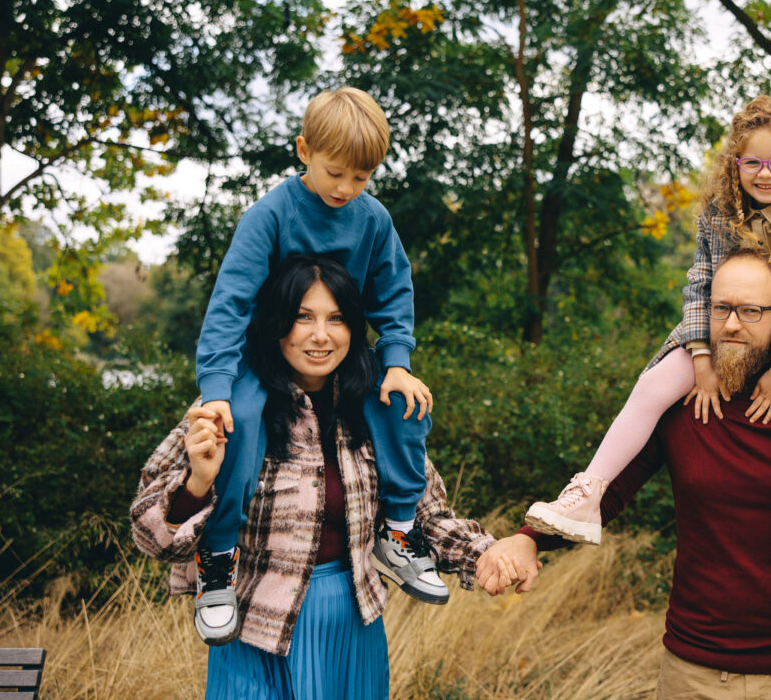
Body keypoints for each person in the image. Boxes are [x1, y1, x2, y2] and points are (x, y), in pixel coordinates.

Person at [491, 253, 771, 698]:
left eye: (751, 312)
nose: (732, 325)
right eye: (721, 308)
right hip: (694, 671)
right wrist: (529, 538)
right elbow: (609, 492)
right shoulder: (683, 403)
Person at [527, 95, 771, 616]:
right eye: (752, 162)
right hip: (720, 327)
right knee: (655, 384)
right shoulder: (719, 215)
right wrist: (702, 363)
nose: (765, 173)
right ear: (736, 165)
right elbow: (700, 284)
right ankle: (587, 494)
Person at [131, 255, 528, 700]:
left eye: (336, 318)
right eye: (303, 317)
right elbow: (151, 537)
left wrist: (484, 554)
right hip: (256, 633)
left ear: (354, 329)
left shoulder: (378, 408)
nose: (320, 335)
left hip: (353, 629)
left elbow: (428, 515)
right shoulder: (227, 406)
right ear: (277, 322)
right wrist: (196, 485)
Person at [190, 87, 445, 646]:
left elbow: (394, 292)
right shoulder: (270, 215)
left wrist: (397, 361)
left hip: (347, 357)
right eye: (335, 173)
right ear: (304, 150)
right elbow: (229, 303)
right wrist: (215, 388)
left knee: (403, 400)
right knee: (243, 422)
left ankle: (399, 530)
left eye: (362, 177)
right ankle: (218, 557)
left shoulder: (373, 220)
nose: (346, 189)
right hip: (269, 360)